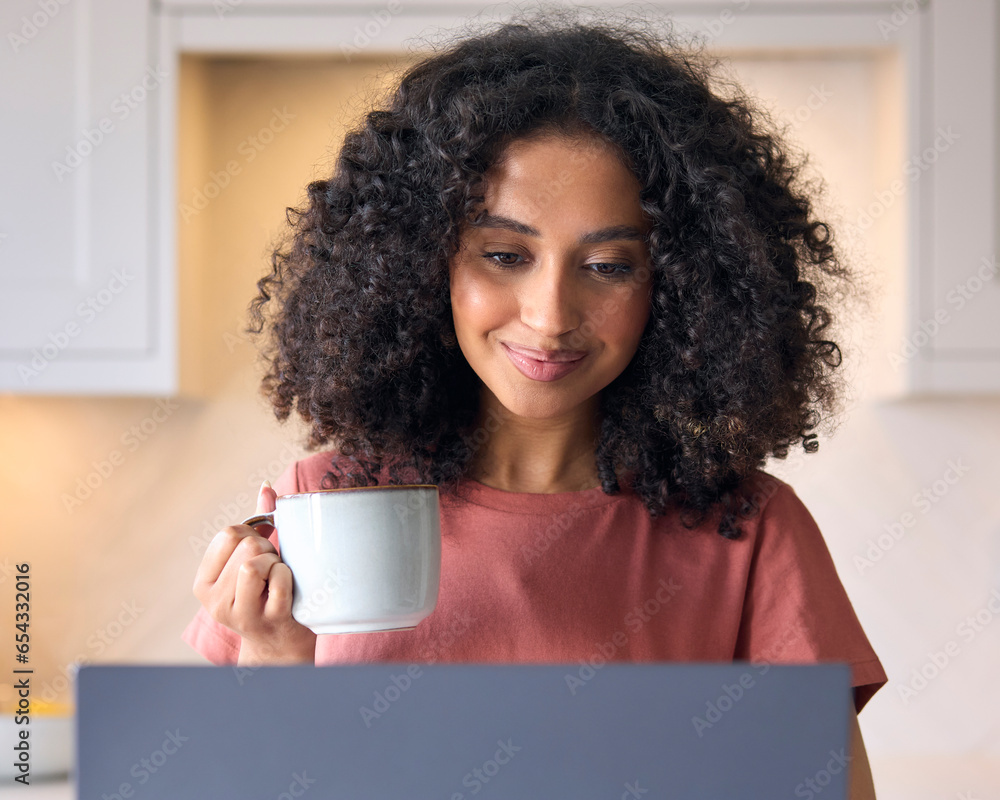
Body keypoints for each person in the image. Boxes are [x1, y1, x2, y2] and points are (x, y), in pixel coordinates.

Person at [183, 8, 886, 795]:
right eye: (505, 255)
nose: (550, 316)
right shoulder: (323, 504)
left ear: (683, 287)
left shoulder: (749, 531)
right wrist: (273, 663)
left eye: (610, 265)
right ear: (421, 262)